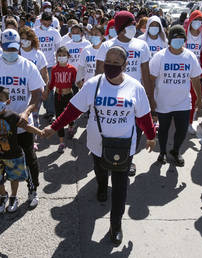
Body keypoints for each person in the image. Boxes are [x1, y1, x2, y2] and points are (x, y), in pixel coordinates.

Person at [42, 46, 156, 245]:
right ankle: (102, 186)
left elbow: (144, 115)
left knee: (120, 188)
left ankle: (116, 224)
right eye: (108, 63)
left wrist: (150, 136)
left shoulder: (134, 87)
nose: (111, 66)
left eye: (116, 63)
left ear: (125, 65)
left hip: (123, 146)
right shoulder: (93, 84)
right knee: (100, 171)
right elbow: (72, 110)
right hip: (97, 144)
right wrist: (54, 126)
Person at [0, 29, 45, 208]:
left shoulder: (28, 66)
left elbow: (37, 93)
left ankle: (32, 189)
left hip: (21, 124)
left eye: (14, 49)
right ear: (1, 46)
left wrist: (27, 112)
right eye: (7, 49)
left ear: (19, 46)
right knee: (0, 160)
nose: (11, 53)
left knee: (29, 158)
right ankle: (6, 194)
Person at [96, 11, 152, 176]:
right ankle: (107, 158)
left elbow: (146, 75)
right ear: (120, 28)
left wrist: (150, 100)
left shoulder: (142, 45)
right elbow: (99, 74)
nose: (133, 27)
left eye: (134, 24)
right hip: (110, 97)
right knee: (111, 130)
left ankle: (129, 159)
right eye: (130, 25)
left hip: (134, 98)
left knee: (135, 131)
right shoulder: (107, 46)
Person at [0, 86, 42, 213]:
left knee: (14, 178)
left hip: (14, 155)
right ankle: (3, 195)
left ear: (7, 101)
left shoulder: (11, 116)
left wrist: (40, 132)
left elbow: (26, 126)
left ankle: (13, 196)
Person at [149, 25, 202, 166]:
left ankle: (175, 150)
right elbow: (151, 79)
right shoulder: (159, 56)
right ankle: (163, 152)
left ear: (184, 40)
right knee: (163, 130)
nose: (178, 41)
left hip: (183, 102)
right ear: (170, 40)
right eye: (175, 38)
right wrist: (151, 102)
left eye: (181, 38)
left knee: (182, 130)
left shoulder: (190, 56)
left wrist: (199, 97)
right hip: (163, 102)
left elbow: (196, 79)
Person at [43, 46, 77, 152]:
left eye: (64, 55)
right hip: (57, 96)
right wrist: (47, 92)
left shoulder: (72, 69)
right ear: (56, 57)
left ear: (68, 56)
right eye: (59, 55)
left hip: (69, 95)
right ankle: (61, 142)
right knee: (59, 118)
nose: (61, 57)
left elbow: (75, 84)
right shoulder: (54, 69)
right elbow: (52, 83)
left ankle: (71, 127)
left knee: (70, 116)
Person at [19, 25, 49, 145]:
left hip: (35, 91)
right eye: (22, 38)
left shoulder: (38, 54)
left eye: (27, 38)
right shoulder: (16, 52)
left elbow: (44, 73)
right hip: (20, 89)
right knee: (21, 115)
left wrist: (45, 89)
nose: (24, 41)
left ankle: (33, 140)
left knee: (34, 114)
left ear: (32, 40)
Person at [34, 12, 62, 123]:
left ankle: (51, 112)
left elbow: (58, 48)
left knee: (48, 89)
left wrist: (58, 64)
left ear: (51, 21)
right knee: (37, 89)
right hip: (36, 65)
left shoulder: (55, 32)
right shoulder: (34, 31)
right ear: (41, 21)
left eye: (49, 20)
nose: (47, 23)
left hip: (50, 65)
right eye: (44, 20)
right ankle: (39, 109)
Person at [184, 10, 202, 124]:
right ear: (190, 20)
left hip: (195, 71)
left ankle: (190, 121)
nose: (198, 22)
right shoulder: (184, 34)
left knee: (194, 97)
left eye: (200, 20)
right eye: (195, 20)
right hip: (182, 69)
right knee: (180, 95)